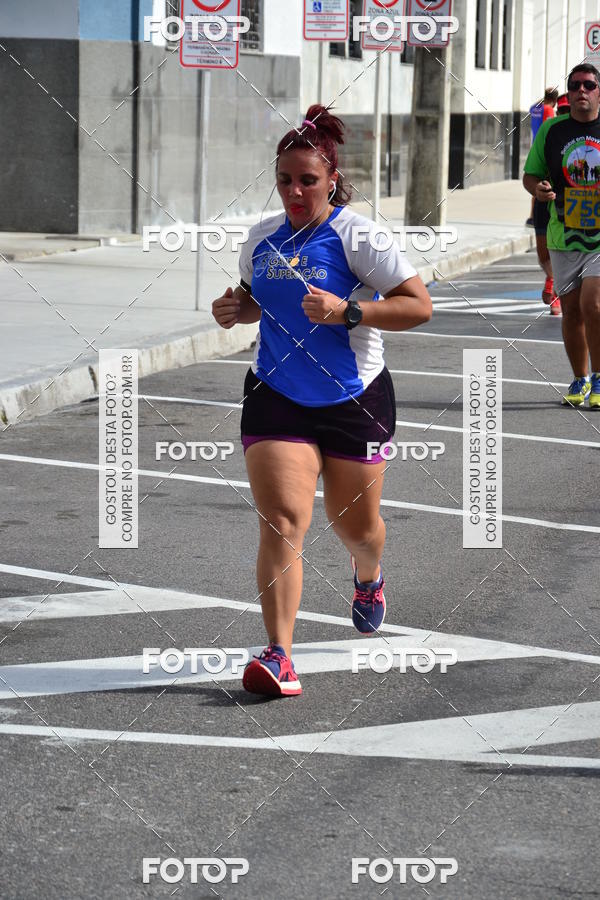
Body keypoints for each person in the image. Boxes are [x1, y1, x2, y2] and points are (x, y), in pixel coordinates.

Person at [211, 104, 432, 697]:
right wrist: (236, 309)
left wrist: (349, 310)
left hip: (353, 397)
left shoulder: (359, 236)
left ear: (332, 178)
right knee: (283, 522)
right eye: (285, 180)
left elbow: (418, 305)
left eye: (308, 180)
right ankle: (279, 656)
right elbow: (258, 299)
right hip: (276, 391)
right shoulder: (262, 239)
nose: (295, 191)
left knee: (355, 526)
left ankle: (368, 574)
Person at [523, 64, 600, 407]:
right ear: (569, 93)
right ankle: (580, 377)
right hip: (563, 233)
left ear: (599, 92)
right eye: (576, 86)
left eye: (589, 85)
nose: (582, 90)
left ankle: (598, 378)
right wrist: (537, 189)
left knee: (593, 305)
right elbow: (531, 175)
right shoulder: (552, 130)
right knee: (571, 311)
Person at [526, 88, 558, 226]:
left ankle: (531, 215)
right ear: (555, 101)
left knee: (536, 182)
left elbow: (533, 107)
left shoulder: (535, 108)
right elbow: (549, 129)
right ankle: (534, 216)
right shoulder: (549, 110)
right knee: (542, 185)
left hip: (534, 146)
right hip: (544, 149)